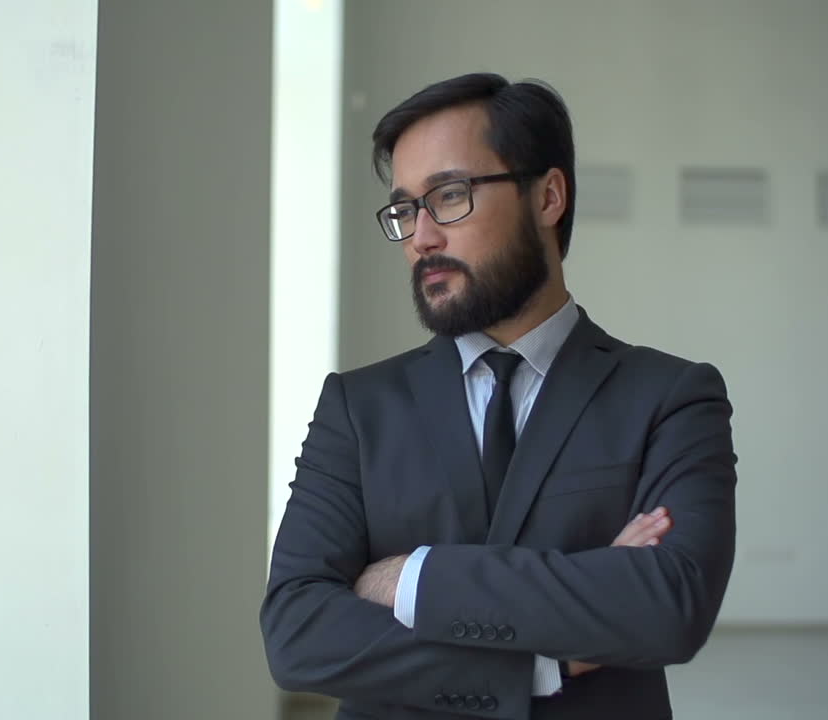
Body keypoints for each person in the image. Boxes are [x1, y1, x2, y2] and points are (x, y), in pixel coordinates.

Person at [260, 73, 737, 720]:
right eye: (404, 209)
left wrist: (410, 579)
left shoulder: (670, 397)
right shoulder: (358, 406)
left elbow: (670, 605)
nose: (422, 237)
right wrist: (544, 661)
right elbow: (297, 632)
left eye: (450, 195)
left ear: (548, 196)